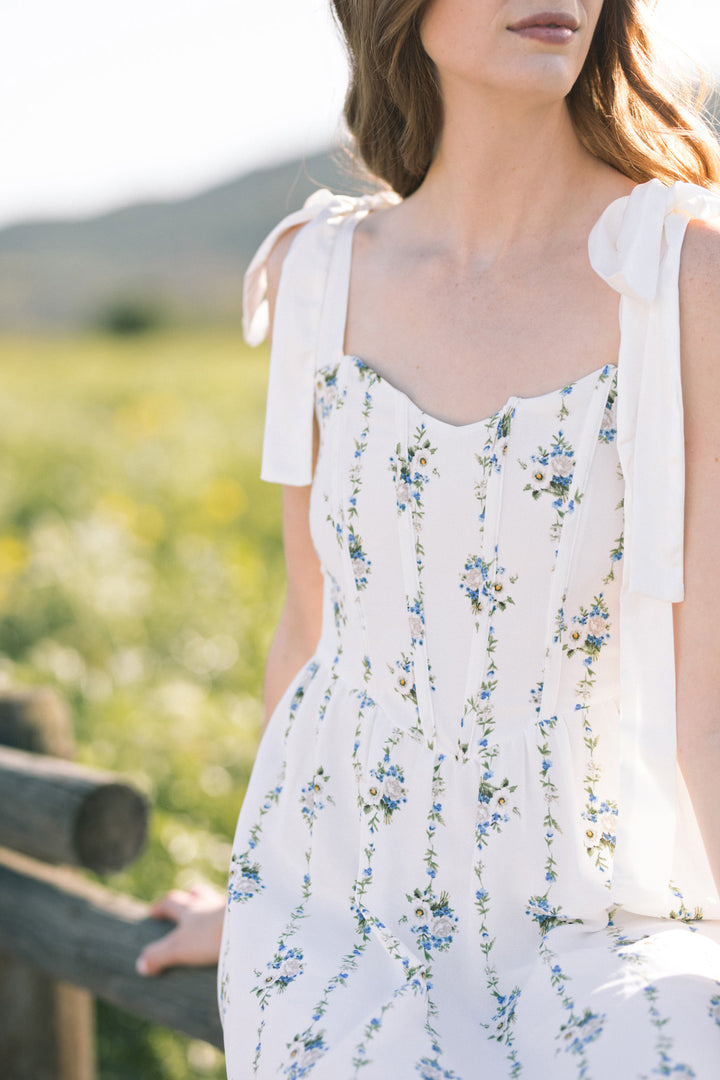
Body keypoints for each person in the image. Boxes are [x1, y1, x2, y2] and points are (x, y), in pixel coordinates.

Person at [136, 1, 720, 1076]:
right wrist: (261, 899)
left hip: (607, 911)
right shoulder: (320, 271)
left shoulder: (683, 275)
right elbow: (314, 627)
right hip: (344, 918)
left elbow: (708, 690)